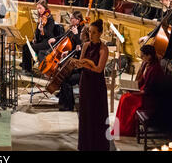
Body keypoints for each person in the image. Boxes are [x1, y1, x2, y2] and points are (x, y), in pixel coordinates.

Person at [113, 45, 164, 137]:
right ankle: (121, 126)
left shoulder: (155, 69)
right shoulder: (146, 63)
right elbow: (141, 81)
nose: (141, 57)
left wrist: (133, 92)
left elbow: (148, 90)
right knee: (124, 97)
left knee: (126, 99)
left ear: (149, 56)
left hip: (149, 98)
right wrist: (131, 86)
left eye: (143, 55)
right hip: (144, 91)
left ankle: (127, 129)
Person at [75, 19, 110, 151]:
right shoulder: (85, 46)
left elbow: (99, 69)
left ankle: (98, 146)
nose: (91, 34)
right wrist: (79, 63)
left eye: (94, 32)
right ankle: (85, 145)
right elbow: (80, 63)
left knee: (96, 114)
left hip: (97, 85)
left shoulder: (103, 49)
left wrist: (86, 63)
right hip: (85, 82)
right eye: (90, 32)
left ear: (100, 33)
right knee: (85, 113)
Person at [54, 11, 87, 111]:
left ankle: (68, 105)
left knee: (65, 77)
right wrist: (68, 51)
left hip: (83, 70)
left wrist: (77, 35)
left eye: (72, 18)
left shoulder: (83, 36)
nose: (71, 20)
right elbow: (76, 48)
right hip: (76, 61)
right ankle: (65, 100)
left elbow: (79, 46)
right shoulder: (73, 29)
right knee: (63, 73)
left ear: (78, 20)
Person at [138, 0, 172, 67]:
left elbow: (171, 29)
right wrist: (148, 36)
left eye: (162, 0)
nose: (161, 2)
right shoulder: (169, 12)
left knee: (158, 62)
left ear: (168, 0)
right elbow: (161, 26)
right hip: (168, 44)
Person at [19, 0, 56, 73]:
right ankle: (25, 66)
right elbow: (37, 31)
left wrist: (42, 30)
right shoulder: (41, 17)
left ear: (45, 8)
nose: (39, 10)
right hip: (40, 41)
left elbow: (49, 34)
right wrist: (34, 39)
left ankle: (28, 69)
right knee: (25, 46)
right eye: (38, 8)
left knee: (31, 48)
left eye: (40, 8)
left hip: (47, 42)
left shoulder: (50, 19)